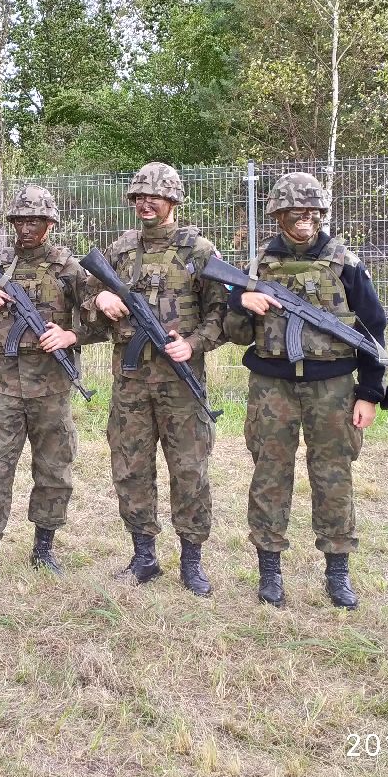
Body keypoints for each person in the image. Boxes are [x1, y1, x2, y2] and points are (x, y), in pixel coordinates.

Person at [223, 172, 385, 610]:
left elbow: (373, 328)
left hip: (333, 387)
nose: (305, 219)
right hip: (271, 386)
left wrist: (370, 391)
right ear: (277, 215)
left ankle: (337, 570)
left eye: (313, 211)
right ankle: (269, 569)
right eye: (295, 212)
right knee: (269, 474)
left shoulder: (346, 263)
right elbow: (235, 332)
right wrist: (240, 301)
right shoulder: (257, 265)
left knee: (334, 477)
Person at [0, 185, 96, 594]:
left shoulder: (68, 269)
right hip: (7, 387)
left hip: (52, 387)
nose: (26, 228)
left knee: (54, 469)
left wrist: (70, 336)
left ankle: (44, 550)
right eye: (20, 221)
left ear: (50, 224)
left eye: (35, 221)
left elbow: (97, 321)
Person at [84, 162, 227, 597]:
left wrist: (194, 344)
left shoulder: (199, 251)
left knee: (189, 470)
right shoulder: (119, 250)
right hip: (130, 383)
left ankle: (191, 561)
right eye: (139, 197)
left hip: (181, 385)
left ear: (173, 200)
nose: (145, 204)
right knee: (130, 468)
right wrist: (101, 298)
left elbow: (223, 315)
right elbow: (85, 304)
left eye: (155, 197)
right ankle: (144, 556)